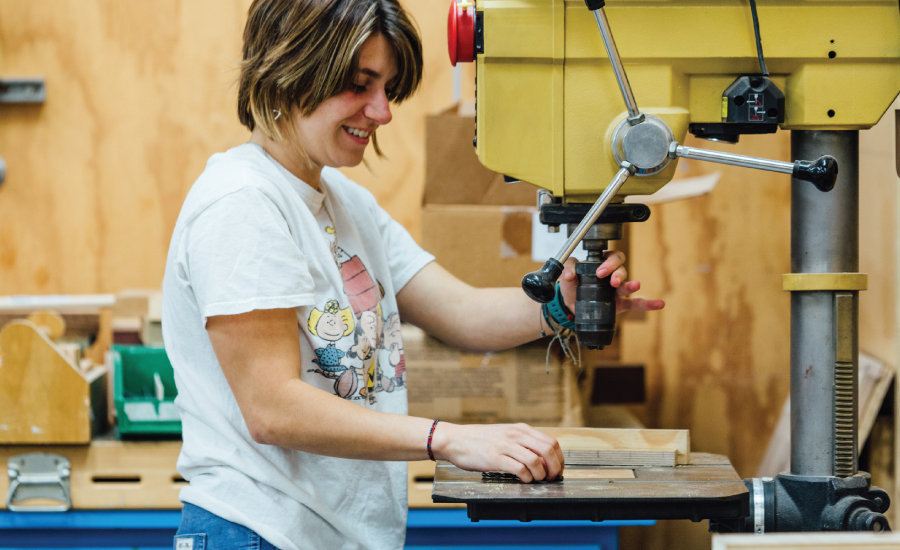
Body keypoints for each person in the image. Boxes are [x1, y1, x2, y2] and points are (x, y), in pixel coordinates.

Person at [162, 0, 664, 549]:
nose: (382, 112)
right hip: (259, 531)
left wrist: (560, 306)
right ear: (290, 71)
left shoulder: (346, 204)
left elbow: (462, 313)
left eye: (388, 88)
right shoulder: (242, 204)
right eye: (360, 85)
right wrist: (447, 439)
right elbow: (273, 409)